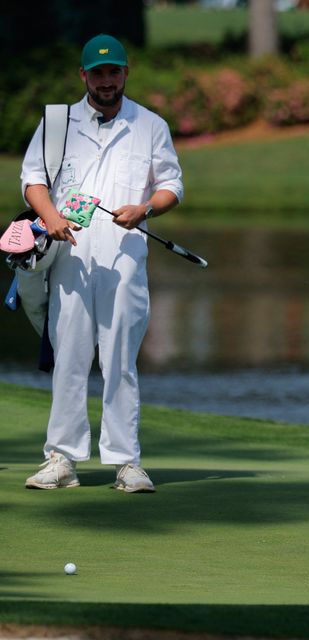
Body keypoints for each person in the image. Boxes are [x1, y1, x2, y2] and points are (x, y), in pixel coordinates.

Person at [20, 34, 184, 493]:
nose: (106, 80)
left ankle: (126, 461)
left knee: (120, 361)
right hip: (68, 255)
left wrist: (146, 208)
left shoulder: (150, 124)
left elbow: (172, 182)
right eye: (98, 72)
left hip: (125, 259)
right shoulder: (57, 122)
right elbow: (32, 179)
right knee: (69, 356)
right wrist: (49, 217)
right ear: (84, 76)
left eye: (114, 72)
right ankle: (61, 458)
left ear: (126, 73)